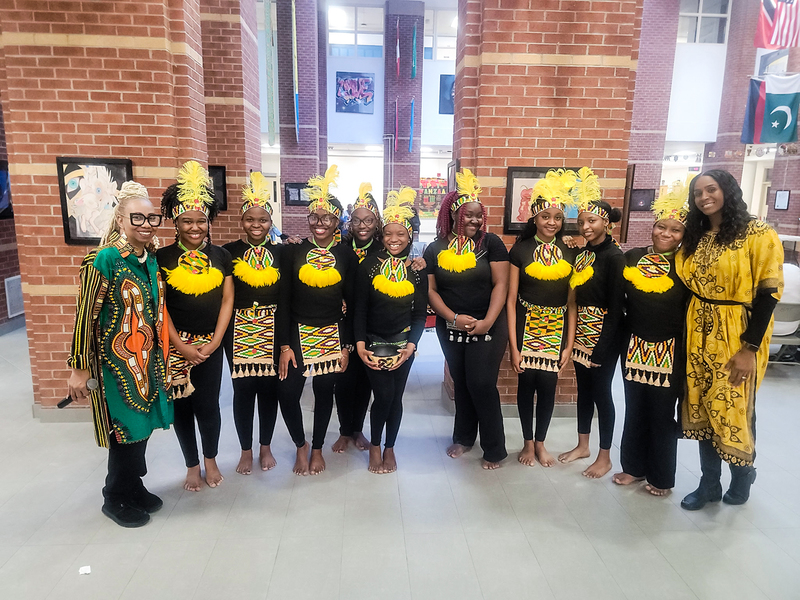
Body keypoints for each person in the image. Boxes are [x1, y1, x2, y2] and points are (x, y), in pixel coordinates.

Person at [676, 169, 783, 509]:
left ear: (728, 190)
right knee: (702, 405)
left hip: (737, 333)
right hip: (697, 331)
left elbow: (769, 294)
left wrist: (749, 349)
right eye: (698, 193)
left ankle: (742, 472)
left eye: (712, 189)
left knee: (732, 407)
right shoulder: (697, 235)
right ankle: (709, 483)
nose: (704, 197)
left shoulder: (758, 233)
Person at [67, 181, 172, 527]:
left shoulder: (150, 259)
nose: (145, 224)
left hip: (146, 363)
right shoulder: (106, 259)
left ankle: (133, 486)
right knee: (126, 430)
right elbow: (85, 317)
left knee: (142, 428)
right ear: (120, 220)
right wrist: (79, 368)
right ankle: (114, 496)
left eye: (151, 218)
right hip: (117, 367)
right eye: (136, 218)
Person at [222, 172, 308, 475]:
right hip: (239, 331)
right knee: (243, 391)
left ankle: (265, 446)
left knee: (270, 390)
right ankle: (245, 450)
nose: (256, 225)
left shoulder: (282, 251)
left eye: (263, 220)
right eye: (250, 219)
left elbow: (314, 256)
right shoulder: (227, 253)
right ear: (241, 221)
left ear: (271, 222)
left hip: (274, 329)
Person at [424, 168, 509, 469]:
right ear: (453, 214)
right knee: (461, 382)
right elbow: (432, 290)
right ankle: (463, 437)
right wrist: (452, 317)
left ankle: (495, 449)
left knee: (482, 383)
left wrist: (487, 321)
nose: (474, 220)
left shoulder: (491, 244)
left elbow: (501, 284)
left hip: (489, 325)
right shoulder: (435, 248)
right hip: (451, 326)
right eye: (468, 215)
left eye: (478, 215)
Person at [157, 161, 234, 491]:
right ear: (176, 221)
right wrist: (180, 345)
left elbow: (227, 300)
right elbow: (160, 306)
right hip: (176, 345)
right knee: (182, 406)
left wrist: (216, 342)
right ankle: (191, 464)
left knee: (208, 404)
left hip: (210, 345)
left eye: (200, 221)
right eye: (186, 221)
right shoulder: (160, 258)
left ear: (208, 221)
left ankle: (211, 459)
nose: (194, 227)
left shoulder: (220, 255)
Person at [277, 165, 357, 475]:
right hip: (297, 330)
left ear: (338, 221)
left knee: (325, 393)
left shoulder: (347, 255)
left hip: (332, 332)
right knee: (287, 392)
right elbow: (283, 300)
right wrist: (284, 344)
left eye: (327, 218)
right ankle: (301, 446)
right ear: (307, 219)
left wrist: (347, 345)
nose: (320, 223)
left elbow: (351, 304)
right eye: (314, 217)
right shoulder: (292, 252)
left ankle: (319, 446)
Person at [612, 183, 690, 496]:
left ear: (684, 234)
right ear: (652, 226)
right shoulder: (631, 257)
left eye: (675, 229)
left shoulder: (687, 266)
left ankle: (661, 477)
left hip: (671, 348)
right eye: (661, 226)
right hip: (635, 346)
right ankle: (633, 467)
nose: (666, 234)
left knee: (661, 414)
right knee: (635, 409)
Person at [507, 169, 578, 467]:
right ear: (534, 217)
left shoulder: (571, 251)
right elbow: (510, 301)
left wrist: (569, 345)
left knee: (548, 389)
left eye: (557, 217)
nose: (552, 222)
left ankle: (541, 444)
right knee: (526, 388)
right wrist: (513, 346)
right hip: (525, 327)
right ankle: (526, 443)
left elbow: (572, 304)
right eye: (546, 216)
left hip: (557, 329)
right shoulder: (520, 250)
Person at [354, 186, 428, 473]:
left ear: (410, 234)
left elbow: (420, 314)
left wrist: (411, 346)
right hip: (373, 341)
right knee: (383, 395)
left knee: (395, 398)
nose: (394, 239)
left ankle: (390, 447)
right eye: (388, 233)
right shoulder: (369, 265)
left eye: (401, 234)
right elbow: (360, 308)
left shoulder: (417, 268)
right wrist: (360, 344)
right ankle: (374, 444)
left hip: (403, 342)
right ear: (381, 235)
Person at [558, 167, 625, 479]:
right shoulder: (584, 255)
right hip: (582, 328)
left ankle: (605, 456)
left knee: (601, 394)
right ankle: (582, 445)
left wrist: (601, 348)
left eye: (592, 221)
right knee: (583, 390)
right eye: (582, 221)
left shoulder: (615, 256)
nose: (585, 226)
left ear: (606, 223)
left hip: (605, 333)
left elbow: (616, 307)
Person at [332, 182, 383, 453]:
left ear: (377, 223)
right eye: (357, 220)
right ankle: (343, 431)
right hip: (342, 324)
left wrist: (418, 263)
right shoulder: (338, 249)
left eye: (369, 220)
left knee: (364, 380)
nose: (363, 225)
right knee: (344, 379)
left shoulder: (386, 252)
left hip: (372, 326)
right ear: (349, 222)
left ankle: (358, 429)